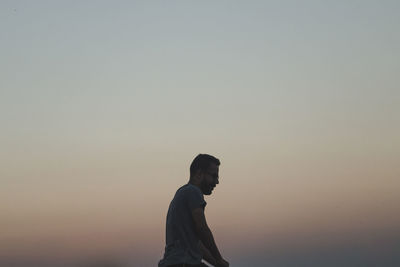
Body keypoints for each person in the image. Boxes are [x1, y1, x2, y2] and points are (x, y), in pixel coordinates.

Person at [158, 154, 229, 267]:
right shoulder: (193, 191)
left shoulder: (182, 193)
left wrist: (217, 262)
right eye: (214, 176)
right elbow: (202, 228)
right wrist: (219, 258)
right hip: (183, 263)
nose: (217, 181)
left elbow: (197, 244)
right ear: (199, 174)